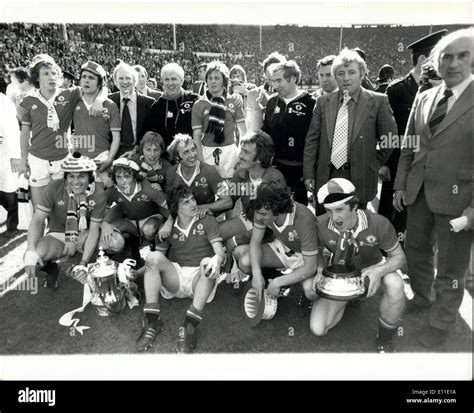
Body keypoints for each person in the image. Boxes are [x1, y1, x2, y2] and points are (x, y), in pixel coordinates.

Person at [393, 28, 473, 348]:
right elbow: (409, 146)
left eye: (462, 55)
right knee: (416, 249)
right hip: (418, 192)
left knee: (451, 265)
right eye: (446, 57)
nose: (452, 63)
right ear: (436, 63)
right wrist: (400, 185)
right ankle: (422, 296)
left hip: (459, 197)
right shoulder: (425, 96)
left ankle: (442, 321)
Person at [310, 178, 406, 353]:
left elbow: (399, 257)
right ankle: (347, 299)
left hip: (372, 267)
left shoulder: (379, 223)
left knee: (396, 284)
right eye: (329, 211)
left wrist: (378, 271)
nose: (334, 217)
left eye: (340, 210)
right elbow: (318, 251)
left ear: (354, 206)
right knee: (318, 328)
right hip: (340, 274)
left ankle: (384, 339)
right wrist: (319, 269)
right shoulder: (321, 223)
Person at [303, 48, 397, 213]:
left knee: (355, 226)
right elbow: (312, 140)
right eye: (340, 73)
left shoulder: (378, 102)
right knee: (325, 225)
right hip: (327, 174)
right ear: (335, 76)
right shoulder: (323, 102)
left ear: (362, 74)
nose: (346, 78)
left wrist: (373, 163)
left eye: (352, 72)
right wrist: (309, 173)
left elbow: (390, 139)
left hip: (359, 177)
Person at [136, 186, 225, 353]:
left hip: (200, 279)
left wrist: (217, 259)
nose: (192, 204)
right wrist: (136, 274)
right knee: (153, 257)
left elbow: (220, 253)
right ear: (176, 208)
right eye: (185, 202)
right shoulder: (167, 228)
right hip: (176, 277)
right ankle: (152, 320)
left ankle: (189, 326)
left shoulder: (207, 220)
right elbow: (154, 264)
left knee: (207, 262)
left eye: (192, 199)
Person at [381, 30, 448, 240]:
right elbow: (386, 132)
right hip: (396, 167)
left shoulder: (448, 90)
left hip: (429, 169)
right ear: (423, 59)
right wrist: (385, 163)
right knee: (391, 219)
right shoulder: (396, 90)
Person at [18, 54, 106, 207]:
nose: (51, 77)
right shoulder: (27, 100)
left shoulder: (69, 94)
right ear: (37, 77)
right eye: (46, 73)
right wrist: (23, 160)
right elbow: (25, 133)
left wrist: (99, 101)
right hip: (37, 159)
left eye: (54, 73)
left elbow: (100, 87)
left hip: (62, 159)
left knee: (61, 208)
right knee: (40, 208)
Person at [23, 152, 107, 289]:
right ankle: (51, 268)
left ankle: (93, 261)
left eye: (81, 176)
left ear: (90, 177)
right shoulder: (55, 186)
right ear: (65, 177)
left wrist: (83, 263)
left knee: (114, 243)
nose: (76, 181)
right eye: (71, 176)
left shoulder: (98, 192)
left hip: (84, 235)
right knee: (34, 256)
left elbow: (93, 231)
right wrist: (31, 250)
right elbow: (37, 220)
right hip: (58, 235)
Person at [238, 182, 319, 302]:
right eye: (258, 213)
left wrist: (278, 283)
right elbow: (255, 243)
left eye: (263, 214)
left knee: (310, 290)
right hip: (285, 247)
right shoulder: (262, 208)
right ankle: (271, 278)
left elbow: (310, 266)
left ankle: (281, 282)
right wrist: (256, 274)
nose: (259, 218)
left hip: (306, 257)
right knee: (245, 262)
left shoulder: (303, 219)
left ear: (278, 209)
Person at [218, 131, 286, 275]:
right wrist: (205, 212)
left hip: (270, 231)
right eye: (241, 150)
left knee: (240, 255)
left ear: (260, 158)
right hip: (249, 220)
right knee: (213, 233)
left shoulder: (274, 180)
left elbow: (273, 225)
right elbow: (228, 201)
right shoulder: (241, 174)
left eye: (246, 152)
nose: (240, 155)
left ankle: (269, 273)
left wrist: (237, 239)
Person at [263, 60, 316, 205]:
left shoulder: (311, 103)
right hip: (276, 166)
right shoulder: (272, 102)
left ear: (292, 78)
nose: (275, 86)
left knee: (299, 209)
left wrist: (309, 172)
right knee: (275, 207)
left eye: (279, 81)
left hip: (301, 169)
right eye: (273, 81)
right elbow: (265, 134)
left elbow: (316, 140)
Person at [192, 61, 247, 179]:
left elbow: (244, 132)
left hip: (231, 153)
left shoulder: (234, 101)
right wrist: (201, 161)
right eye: (210, 78)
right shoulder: (199, 104)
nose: (213, 81)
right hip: (208, 153)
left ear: (224, 80)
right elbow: (196, 136)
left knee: (232, 192)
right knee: (211, 193)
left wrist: (240, 154)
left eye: (217, 78)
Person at [100, 158, 169, 251]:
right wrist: (104, 224)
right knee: (109, 234)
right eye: (118, 177)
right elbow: (100, 209)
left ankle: (151, 245)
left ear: (135, 177)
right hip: (130, 221)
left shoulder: (148, 188)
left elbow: (169, 208)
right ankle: (123, 253)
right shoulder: (113, 190)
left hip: (151, 217)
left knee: (148, 230)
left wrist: (168, 223)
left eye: (127, 176)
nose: (123, 181)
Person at [72, 61, 121, 184]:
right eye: (84, 77)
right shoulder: (73, 102)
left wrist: (109, 160)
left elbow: (116, 138)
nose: (86, 81)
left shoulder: (110, 106)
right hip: (79, 159)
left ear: (99, 83)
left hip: (101, 158)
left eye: (91, 78)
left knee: (101, 199)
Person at [143, 62, 200, 147]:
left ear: (182, 81)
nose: (170, 83)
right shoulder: (157, 106)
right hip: (165, 156)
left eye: (174, 79)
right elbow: (147, 133)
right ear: (162, 82)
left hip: (191, 154)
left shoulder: (194, 100)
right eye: (166, 79)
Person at [108, 62, 155, 158]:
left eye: (128, 78)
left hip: (140, 152)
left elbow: (151, 132)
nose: (125, 82)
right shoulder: (108, 101)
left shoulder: (149, 103)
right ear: (116, 82)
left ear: (134, 80)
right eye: (121, 78)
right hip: (113, 151)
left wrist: (138, 150)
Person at [0, 76, 21, 239]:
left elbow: (13, 130)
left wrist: (15, 155)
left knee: (9, 189)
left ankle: (13, 223)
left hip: (5, 153)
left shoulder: (3, 103)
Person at [246, 51, 286, 132]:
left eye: (276, 70)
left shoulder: (287, 96)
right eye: (269, 70)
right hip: (257, 143)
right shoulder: (253, 94)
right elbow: (248, 123)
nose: (272, 74)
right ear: (264, 72)